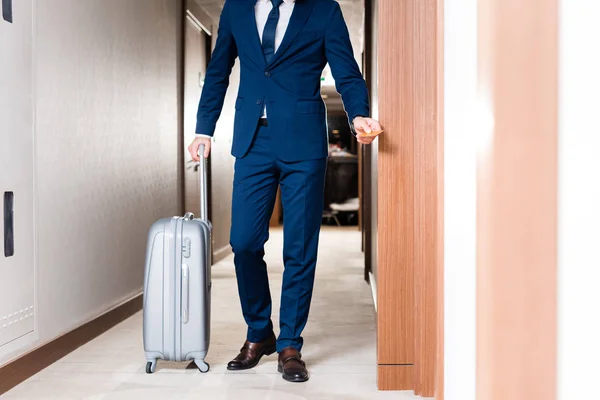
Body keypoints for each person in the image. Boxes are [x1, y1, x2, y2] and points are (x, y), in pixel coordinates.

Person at [187, 0, 381, 383]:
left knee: (299, 247)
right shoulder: (237, 9)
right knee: (243, 242)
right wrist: (203, 129)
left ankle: (290, 343)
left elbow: (347, 70)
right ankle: (260, 332)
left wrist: (358, 113)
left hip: (304, 144)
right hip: (252, 141)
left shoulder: (324, 10)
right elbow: (218, 71)